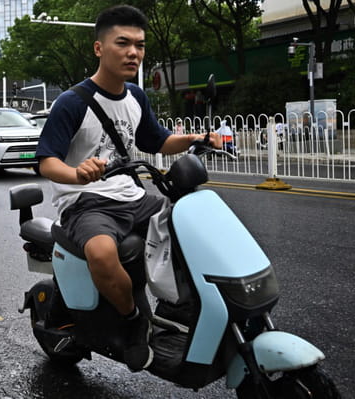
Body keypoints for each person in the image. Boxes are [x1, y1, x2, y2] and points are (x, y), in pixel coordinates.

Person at [35, 4, 221, 372]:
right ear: (99, 48)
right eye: (123, 43)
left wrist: (196, 138)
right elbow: (46, 161)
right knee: (103, 253)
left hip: (132, 196)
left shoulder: (136, 97)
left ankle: (179, 307)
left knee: (194, 223)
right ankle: (133, 317)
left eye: (140, 44)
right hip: (86, 203)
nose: (133, 52)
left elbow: (157, 140)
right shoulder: (72, 102)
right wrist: (77, 174)